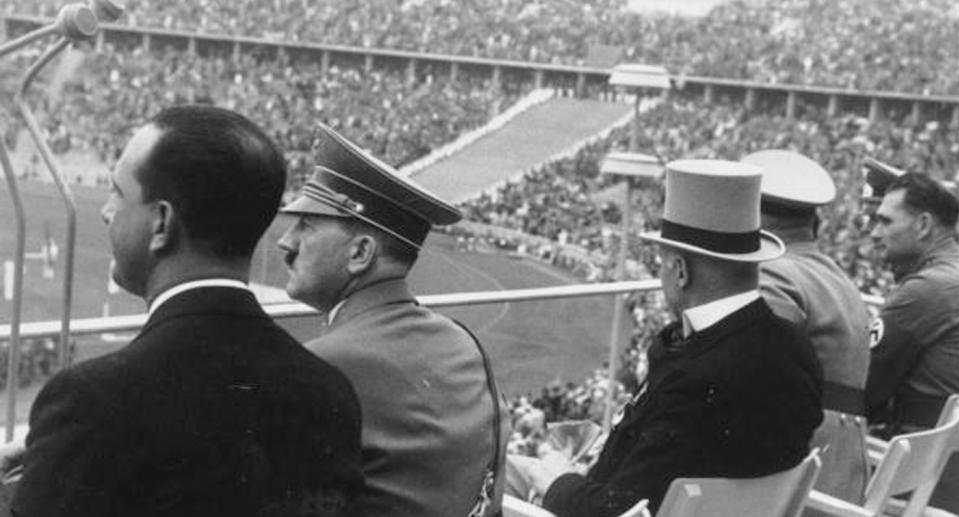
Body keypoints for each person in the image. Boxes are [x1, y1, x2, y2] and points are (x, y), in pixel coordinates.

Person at [11, 105, 364, 517]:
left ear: (161, 223)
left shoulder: (90, 400)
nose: (107, 211)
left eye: (117, 193)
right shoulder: (330, 392)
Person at [523, 159, 823, 516]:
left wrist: (559, 481)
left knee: (503, 473)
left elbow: (621, 509)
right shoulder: (796, 348)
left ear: (680, 271)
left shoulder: (697, 376)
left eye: (662, 264)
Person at [277, 123, 509, 517]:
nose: (287, 243)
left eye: (307, 226)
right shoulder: (461, 342)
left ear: (360, 254)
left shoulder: (324, 364)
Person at [743, 150, 870, 504]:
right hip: (842, 465)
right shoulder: (835, 276)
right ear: (815, 224)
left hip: (801, 472)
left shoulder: (772, 274)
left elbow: (758, 382)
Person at [866, 172, 959, 512]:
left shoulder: (926, 290)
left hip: (924, 487)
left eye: (885, 221)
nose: (875, 233)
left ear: (922, 225)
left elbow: (864, 392)